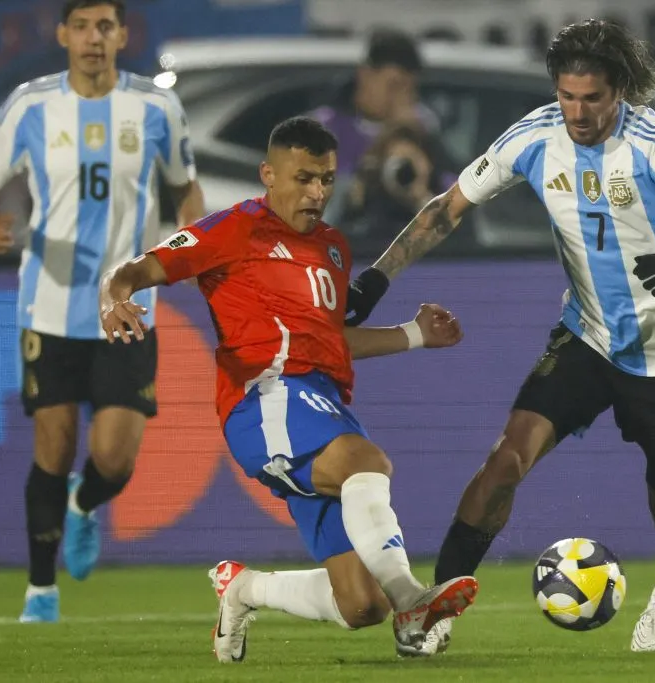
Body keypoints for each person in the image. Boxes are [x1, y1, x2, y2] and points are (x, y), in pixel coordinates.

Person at [345, 19, 655, 653]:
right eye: (568, 96)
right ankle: (433, 613)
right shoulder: (535, 136)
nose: (578, 112)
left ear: (618, 92)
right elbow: (445, 210)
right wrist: (377, 277)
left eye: (592, 98)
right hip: (587, 336)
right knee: (504, 462)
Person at [97, 116, 478, 661]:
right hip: (264, 398)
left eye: (325, 179)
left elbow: (330, 340)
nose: (318, 192)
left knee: (360, 605)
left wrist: (416, 334)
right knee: (364, 462)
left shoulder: (333, 249)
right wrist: (115, 296)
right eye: (303, 178)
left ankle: (243, 588)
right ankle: (413, 601)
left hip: (318, 403)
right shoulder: (232, 229)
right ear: (268, 176)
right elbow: (139, 268)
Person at [0, 0, 205, 623]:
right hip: (48, 304)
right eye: (81, 26)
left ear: (123, 35)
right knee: (52, 445)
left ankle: (84, 505)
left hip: (128, 306)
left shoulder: (157, 108)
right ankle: (40, 593)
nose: (93, 38)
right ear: (62, 35)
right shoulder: (30, 105)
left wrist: (197, 244)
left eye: (105, 27)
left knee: (114, 457)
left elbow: (185, 185)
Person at [312, 29, 456, 239]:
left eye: (409, 88)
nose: (402, 98)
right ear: (365, 75)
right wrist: (388, 136)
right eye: (394, 86)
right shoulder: (324, 126)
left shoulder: (423, 124)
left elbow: (449, 182)